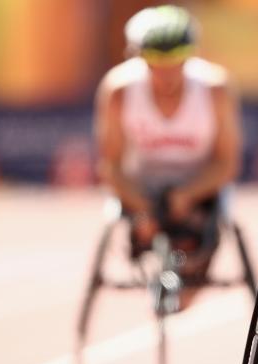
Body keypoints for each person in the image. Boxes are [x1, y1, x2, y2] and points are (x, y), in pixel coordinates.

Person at [94, 5, 242, 305]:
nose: (166, 71)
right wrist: (145, 209)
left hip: (199, 189)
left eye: (175, 59)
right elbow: (111, 167)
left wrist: (186, 196)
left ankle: (188, 279)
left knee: (188, 283)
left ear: (190, 55)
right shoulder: (119, 91)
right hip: (141, 191)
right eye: (155, 60)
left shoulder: (215, 89)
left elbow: (226, 163)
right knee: (146, 234)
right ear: (138, 57)